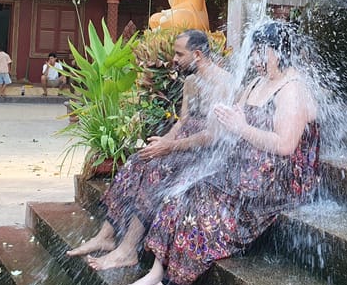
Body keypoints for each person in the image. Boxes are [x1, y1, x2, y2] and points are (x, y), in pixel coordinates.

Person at [123, 21, 319, 285]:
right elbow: (235, 119)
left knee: (201, 198)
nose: (254, 59)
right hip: (249, 168)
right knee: (182, 188)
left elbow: (286, 146)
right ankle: (158, 270)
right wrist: (224, 115)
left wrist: (240, 127)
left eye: (260, 53)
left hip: (278, 180)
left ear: (278, 52)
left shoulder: (292, 89)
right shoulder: (258, 82)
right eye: (253, 52)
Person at [66, 29, 231, 271]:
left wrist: (169, 147)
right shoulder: (191, 81)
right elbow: (182, 122)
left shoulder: (223, 83)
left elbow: (213, 136)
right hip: (181, 147)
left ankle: (128, 250)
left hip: (207, 156)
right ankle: (106, 235)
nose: (173, 59)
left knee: (157, 170)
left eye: (178, 54)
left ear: (197, 54)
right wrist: (162, 142)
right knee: (137, 161)